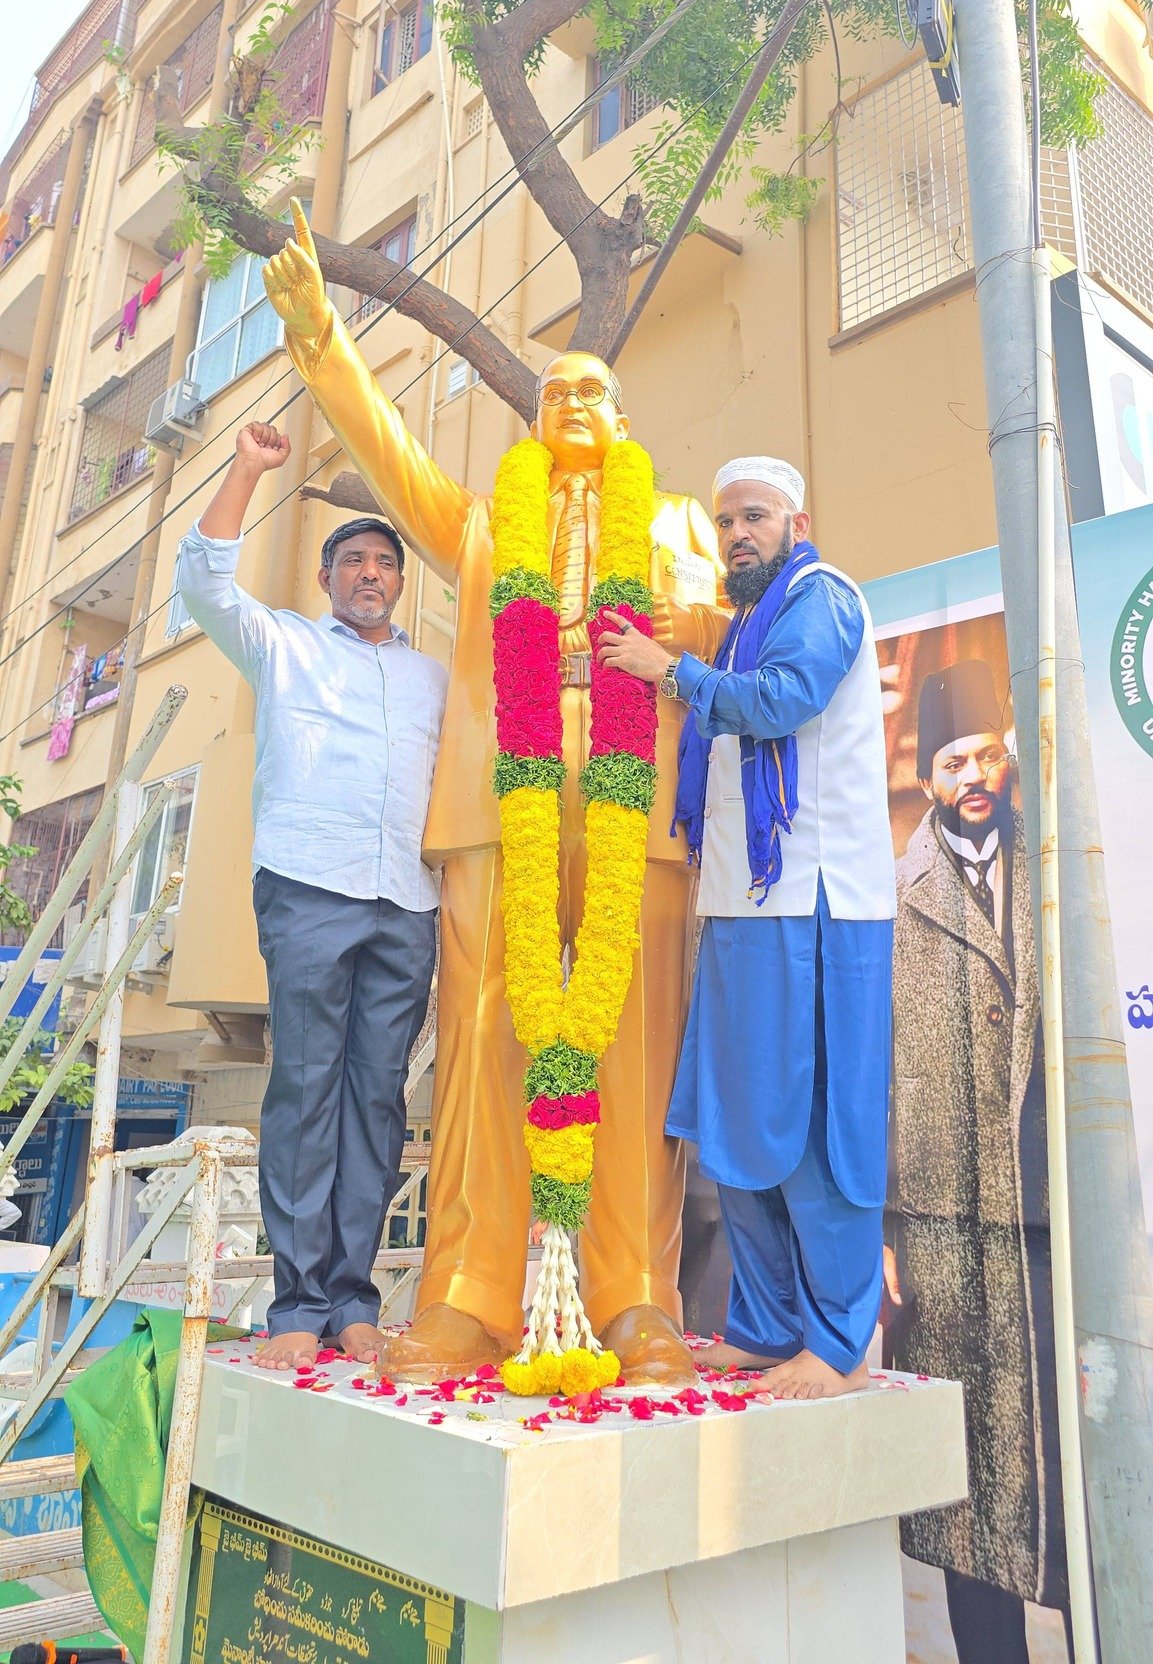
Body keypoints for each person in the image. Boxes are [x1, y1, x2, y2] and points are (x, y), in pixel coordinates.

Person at [259, 203, 728, 1385]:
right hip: (493, 814)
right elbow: (387, 453)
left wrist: (685, 623)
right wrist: (323, 337)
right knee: (480, 1051)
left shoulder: (680, 528)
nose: (572, 400)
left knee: (629, 1054)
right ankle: (471, 1291)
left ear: (623, 422)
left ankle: (635, 1299)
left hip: (638, 822)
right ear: (533, 415)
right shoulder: (475, 527)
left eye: (593, 391)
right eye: (555, 388)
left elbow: (733, 644)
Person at [599, 456, 894, 1400]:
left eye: (755, 517)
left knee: (810, 1133)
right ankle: (766, 1328)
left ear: (796, 524)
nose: (738, 534)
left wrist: (667, 671)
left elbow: (787, 700)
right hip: (739, 904)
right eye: (727, 520)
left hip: (814, 905)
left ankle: (841, 1344)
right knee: (736, 1131)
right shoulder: (740, 627)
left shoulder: (822, 597)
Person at [176, 421, 448, 1372]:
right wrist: (247, 469)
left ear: (399, 583)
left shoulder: (432, 679)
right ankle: (295, 1298)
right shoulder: (283, 645)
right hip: (308, 887)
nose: (370, 574)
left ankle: (351, 1298)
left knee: (376, 1099)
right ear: (328, 579)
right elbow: (203, 583)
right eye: (354, 561)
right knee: (304, 1088)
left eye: (385, 563)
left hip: (407, 901)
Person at [886, 660, 1068, 1663]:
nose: (972, 773)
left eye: (985, 753)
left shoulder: (1056, 873)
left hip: (1053, 1214)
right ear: (926, 775)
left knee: (1073, 1449)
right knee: (971, 1473)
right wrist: (884, 1228)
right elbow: (876, 1072)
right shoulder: (896, 894)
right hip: (944, 1222)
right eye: (952, 757)